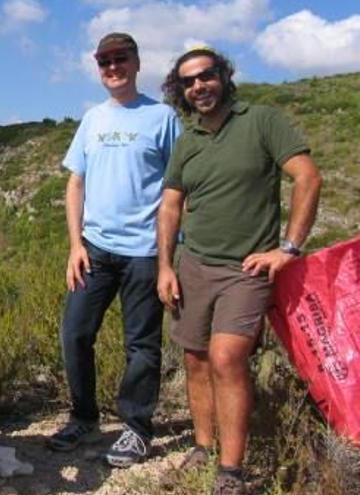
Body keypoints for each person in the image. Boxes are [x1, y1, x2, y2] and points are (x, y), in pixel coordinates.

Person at [157, 47, 321, 495]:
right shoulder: (187, 139)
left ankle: (231, 472)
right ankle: (203, 448)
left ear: (223, 77)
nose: (198, 86)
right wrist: (165, 267)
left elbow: (308, 177)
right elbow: (171, 207)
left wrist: (287, 248)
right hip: (193, 267)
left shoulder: (262, 121)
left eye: (206, 76)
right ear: (182, 91)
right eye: (188, 82)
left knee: (227, 358)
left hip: (245, 270)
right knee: (194, 358)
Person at [46, 32, 181, 468]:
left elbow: (179, 189)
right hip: (96, 249)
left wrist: (168, 257)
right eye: (104, 60)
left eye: (120, 58)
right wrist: (74, 245)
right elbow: (76, 183)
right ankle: (83, 416)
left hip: (145, 249)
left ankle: (137, 428)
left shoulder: (162, 118)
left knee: (141, 344)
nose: (112, 66)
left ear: (137, 62)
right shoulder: (93, 119)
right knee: (75, 333)